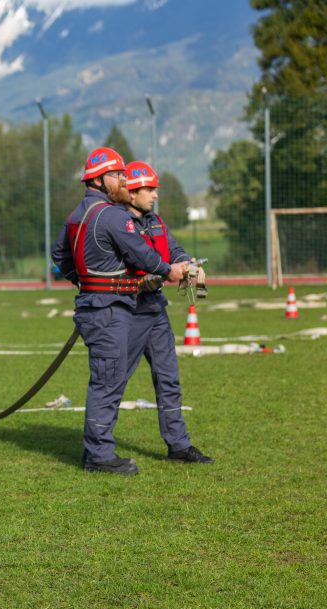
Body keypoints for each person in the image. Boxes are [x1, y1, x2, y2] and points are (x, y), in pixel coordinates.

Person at [51, 147, 187, 476]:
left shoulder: (76, 215)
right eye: (118, 175)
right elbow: (140, 254)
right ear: (99, 180)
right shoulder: (112, 215)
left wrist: (84, 281)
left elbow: (59, 255)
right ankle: (98, 455)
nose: (124, 181)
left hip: (99, 305)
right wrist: (169, 270)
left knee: (109, 378)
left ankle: (106, 451)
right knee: (108, 381)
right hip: (110, 309)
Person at [121, 161, 212, 465]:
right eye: (149, 189)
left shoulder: (156, 222)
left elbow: (173, 249)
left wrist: (187, 264)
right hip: (128, 311)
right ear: (131, 193)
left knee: (168, 378)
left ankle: (179, 446)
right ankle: (99, 450)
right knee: (115, 380)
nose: (155, 194)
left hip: (155, 309)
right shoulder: (118, 223)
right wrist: (163, 271)